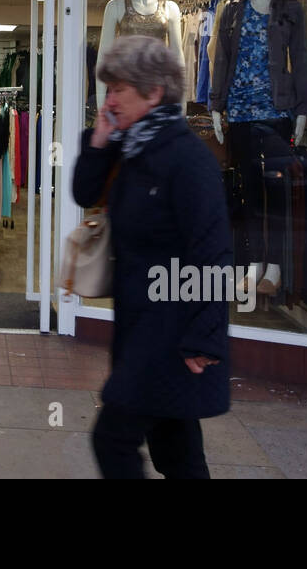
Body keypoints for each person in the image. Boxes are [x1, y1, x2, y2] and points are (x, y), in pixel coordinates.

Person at [72, 34, 232, 479]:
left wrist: (205, 336)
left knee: (113, 440)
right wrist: (100, 141)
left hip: (171, 330)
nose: (110, 99)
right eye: (107, 89)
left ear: (154, 92)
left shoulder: (186, 159)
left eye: (119, 89)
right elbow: (84, 192)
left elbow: (213, 250)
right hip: (141, 323)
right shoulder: (131, 148)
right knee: (178, 454)